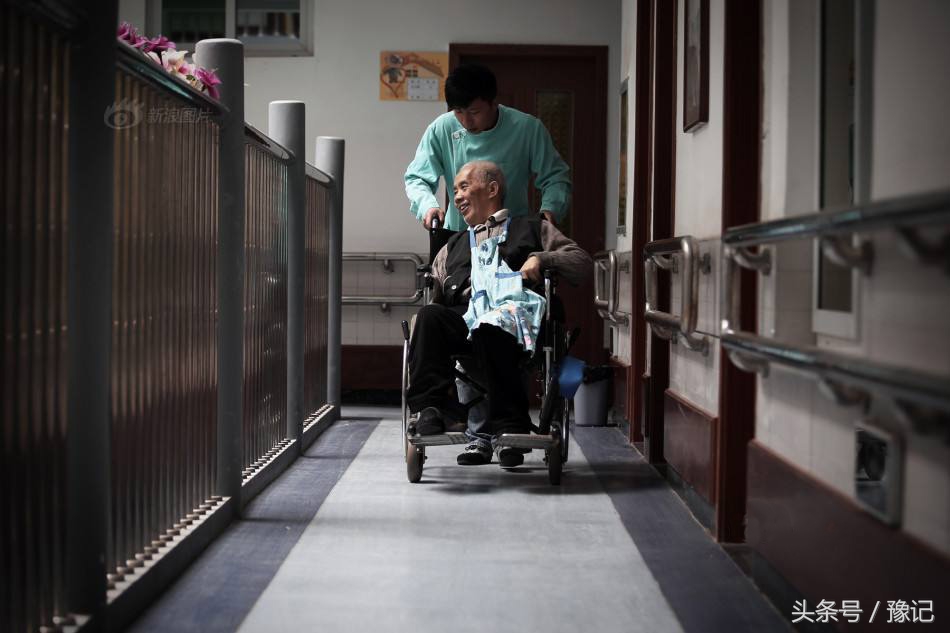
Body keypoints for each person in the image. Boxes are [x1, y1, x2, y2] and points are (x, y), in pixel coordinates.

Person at [406, 160, 592, 468]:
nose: (458, 197)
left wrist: (540, 258)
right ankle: (432, 410)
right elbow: (436, 297)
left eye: (464, 187)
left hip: (516, 322)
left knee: (493, 323)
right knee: (429, 317)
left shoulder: (532, 228)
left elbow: (581, 262)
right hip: (465, 320)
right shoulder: (452, 246)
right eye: (454, 191)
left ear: (492, 189)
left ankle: (509, 424)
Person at [404, 64, 571, 231]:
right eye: (458, 112)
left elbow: (555, 176)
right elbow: (417, 178)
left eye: (474, 112)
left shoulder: (527, 129)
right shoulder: (442, 128)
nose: (466, 122)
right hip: (458, 236)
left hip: (514, 237)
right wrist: (428, 207)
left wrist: (550, 209)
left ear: (493, 102)